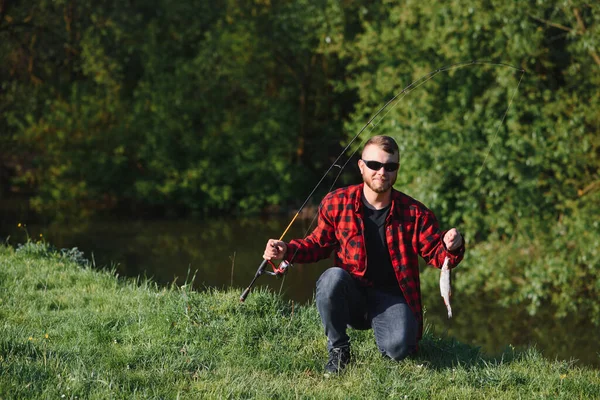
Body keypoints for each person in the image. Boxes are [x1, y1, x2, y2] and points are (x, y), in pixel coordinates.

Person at [263, 135, 464, 375]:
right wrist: (287, 249)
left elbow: (437, 255)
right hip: (353, 294)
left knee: (399, 350)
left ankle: (390, 334)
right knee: (331, 279)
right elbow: (318, 244)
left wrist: (451, 247)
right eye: (374, 165)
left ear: (397, 169)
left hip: (392, 297)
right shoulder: (336, 203)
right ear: (361, 166)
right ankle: (338, 349)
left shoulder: (415, 212)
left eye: (390, 167)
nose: (382, 172)